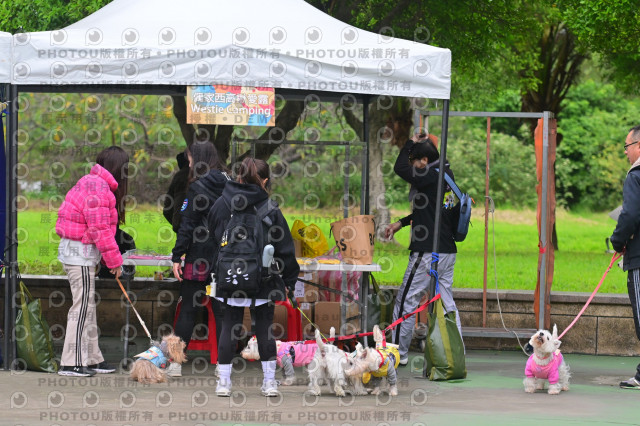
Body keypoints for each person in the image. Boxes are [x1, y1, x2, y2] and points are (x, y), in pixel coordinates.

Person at [208, 157, 299, 397]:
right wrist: (289, 281)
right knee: (264, 328)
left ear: (238, 176)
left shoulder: (223, 202)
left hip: (230, 276)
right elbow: (285, 248)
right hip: (263, 277)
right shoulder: (270, 207)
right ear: (265, 180)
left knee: (229, 326)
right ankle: (269, 383)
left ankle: (224, 383)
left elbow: (213, 233)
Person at [384, 134, 462, 366]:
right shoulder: (446, 176)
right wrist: (401, 223)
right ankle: (456, 352)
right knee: (447, 302)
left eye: (415, 162)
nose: (413, 167)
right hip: (447, 251)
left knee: (407, 300)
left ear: (424, 160)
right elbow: (431, 211)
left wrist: (408, 142)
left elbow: (399, 168)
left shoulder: (429, 175)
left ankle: (397, 354)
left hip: (427, 252)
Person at [55, 146, 129, 377]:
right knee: (81, 308)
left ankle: (93, 358)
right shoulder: (98, 188)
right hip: (79, 255)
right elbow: (100, 229)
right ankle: (71, 363)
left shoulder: (93, 182)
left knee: (88, 306)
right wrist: (114, 262)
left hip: (79, 253)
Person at [170, 141, 229, 377]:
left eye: (190, 158)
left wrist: (177, 255)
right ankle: (224, 367)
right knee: (223, 311)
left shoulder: (196, 187)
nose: (189, 163)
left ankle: (176, 364)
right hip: (225, 256)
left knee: (188, 308)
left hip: (199, 257)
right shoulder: (231, 183)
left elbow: (187, 225)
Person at [610, 124, 640, 390]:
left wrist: (617, 241)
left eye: (627, 146)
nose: (625, 152)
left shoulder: (636, 175)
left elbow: (629, 214)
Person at [163, 150, 191, 233]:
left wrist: (176, 222)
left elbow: (167, 208)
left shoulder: (179, 176)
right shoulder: (205, 174)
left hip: (181, 226)